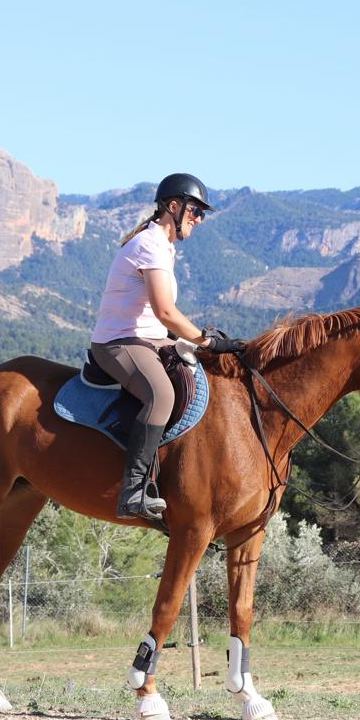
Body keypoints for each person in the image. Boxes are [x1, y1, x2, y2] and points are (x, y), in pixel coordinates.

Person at [91, 173, 245, 520]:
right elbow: (164, 310)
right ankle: (132, 492)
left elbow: (159, 318)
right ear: (172, 207)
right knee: (161, 395)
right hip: (118, 341)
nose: (199, 218)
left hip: (146, 336)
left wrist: (197, 346)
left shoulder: (164, 246)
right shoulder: (150, 244)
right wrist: (206, 340)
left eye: (201, 213)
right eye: (195, 211)